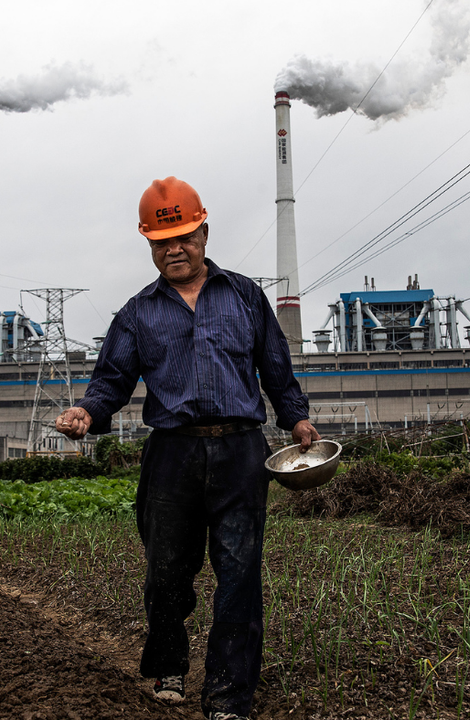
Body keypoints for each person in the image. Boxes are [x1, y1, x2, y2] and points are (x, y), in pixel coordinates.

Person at [54, 176, 319, 720]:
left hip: (242, 452)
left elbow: (275, 366)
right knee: (166, 571)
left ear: (203, 231)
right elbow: (111, 382)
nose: (174, 249)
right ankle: (170, 661)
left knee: (240, 571)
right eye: (161, 241)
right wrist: (89, 412)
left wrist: (296, 418)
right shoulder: (136, 313)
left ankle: (228, 693)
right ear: (149, 244)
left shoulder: (245, 295)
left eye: (184, 237)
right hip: (171, 455)